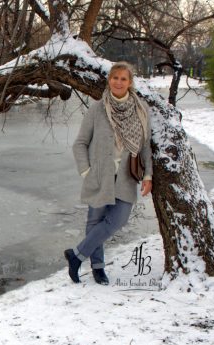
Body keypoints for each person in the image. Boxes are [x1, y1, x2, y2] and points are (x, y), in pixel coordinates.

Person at [64, 61, 153, 285]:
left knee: (118, 220)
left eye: (124, 78)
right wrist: (86, 172)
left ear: (130, 82)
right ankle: (98, 268)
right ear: (109, 80)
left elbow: (145, 147)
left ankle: (76, 255)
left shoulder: (141, 110)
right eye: (115, 78)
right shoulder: (97, 108)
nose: (119, 82)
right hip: (100, 175)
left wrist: (148, 176)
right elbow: (80, 143)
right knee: (94, 221)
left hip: (126, 177)